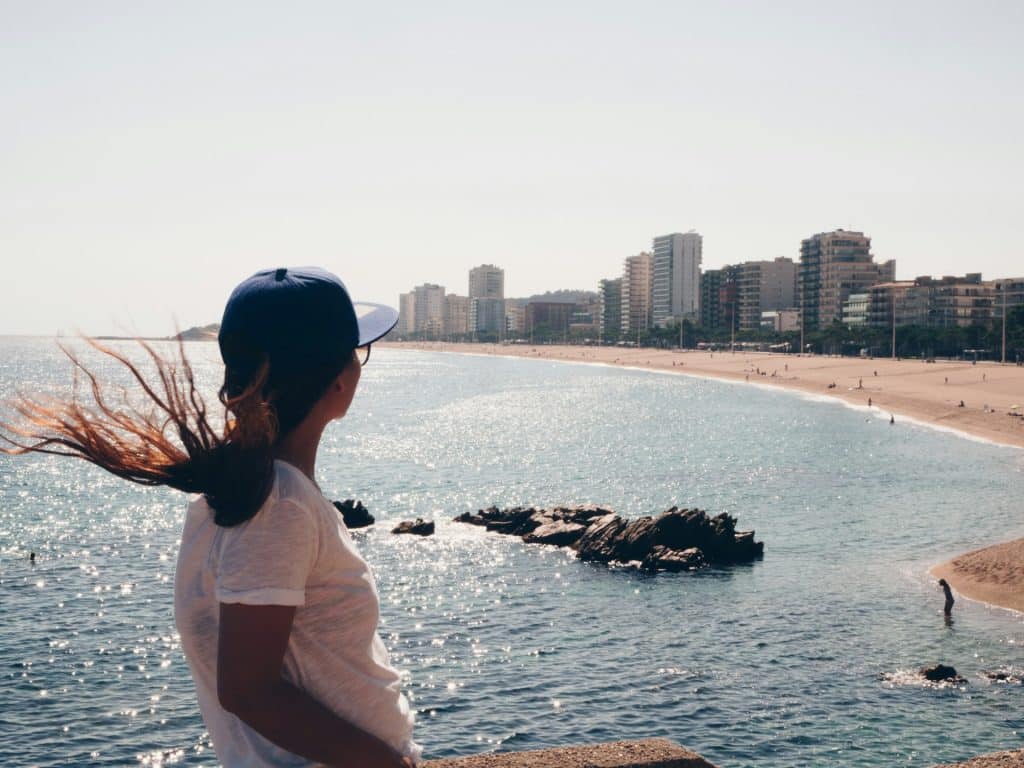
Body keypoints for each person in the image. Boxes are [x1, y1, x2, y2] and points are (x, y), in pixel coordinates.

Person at [0, 267, 419, 767]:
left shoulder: (240, 488)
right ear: (335, 380)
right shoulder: (278, 504)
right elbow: (248, 690)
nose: (358, 367)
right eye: (357, 353)